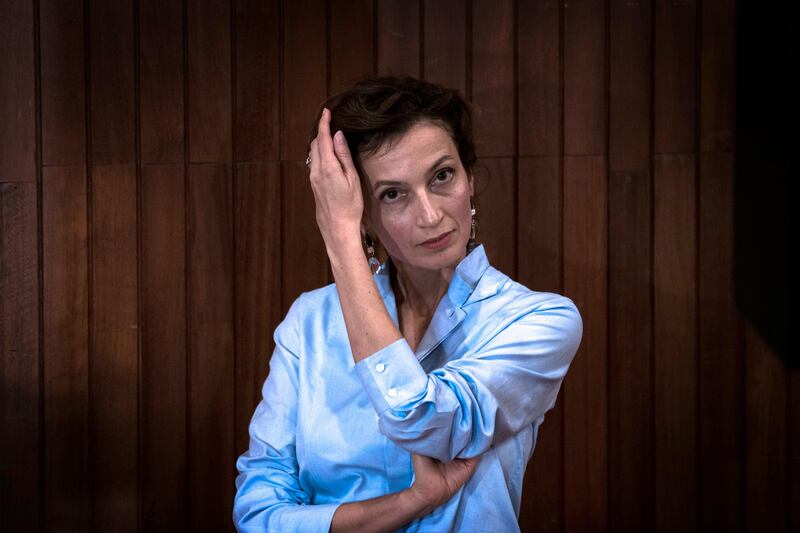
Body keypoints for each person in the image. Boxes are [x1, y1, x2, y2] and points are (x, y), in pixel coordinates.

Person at [232, 76, 583, 532]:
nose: (431, 215)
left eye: (442, 176)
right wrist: (411, 503)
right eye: (392, 194)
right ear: (361, 213)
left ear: (470, 179)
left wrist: (342, 244)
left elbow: (420, 420)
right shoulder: (310, 322)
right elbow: (258, 515)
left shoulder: (537, 321)